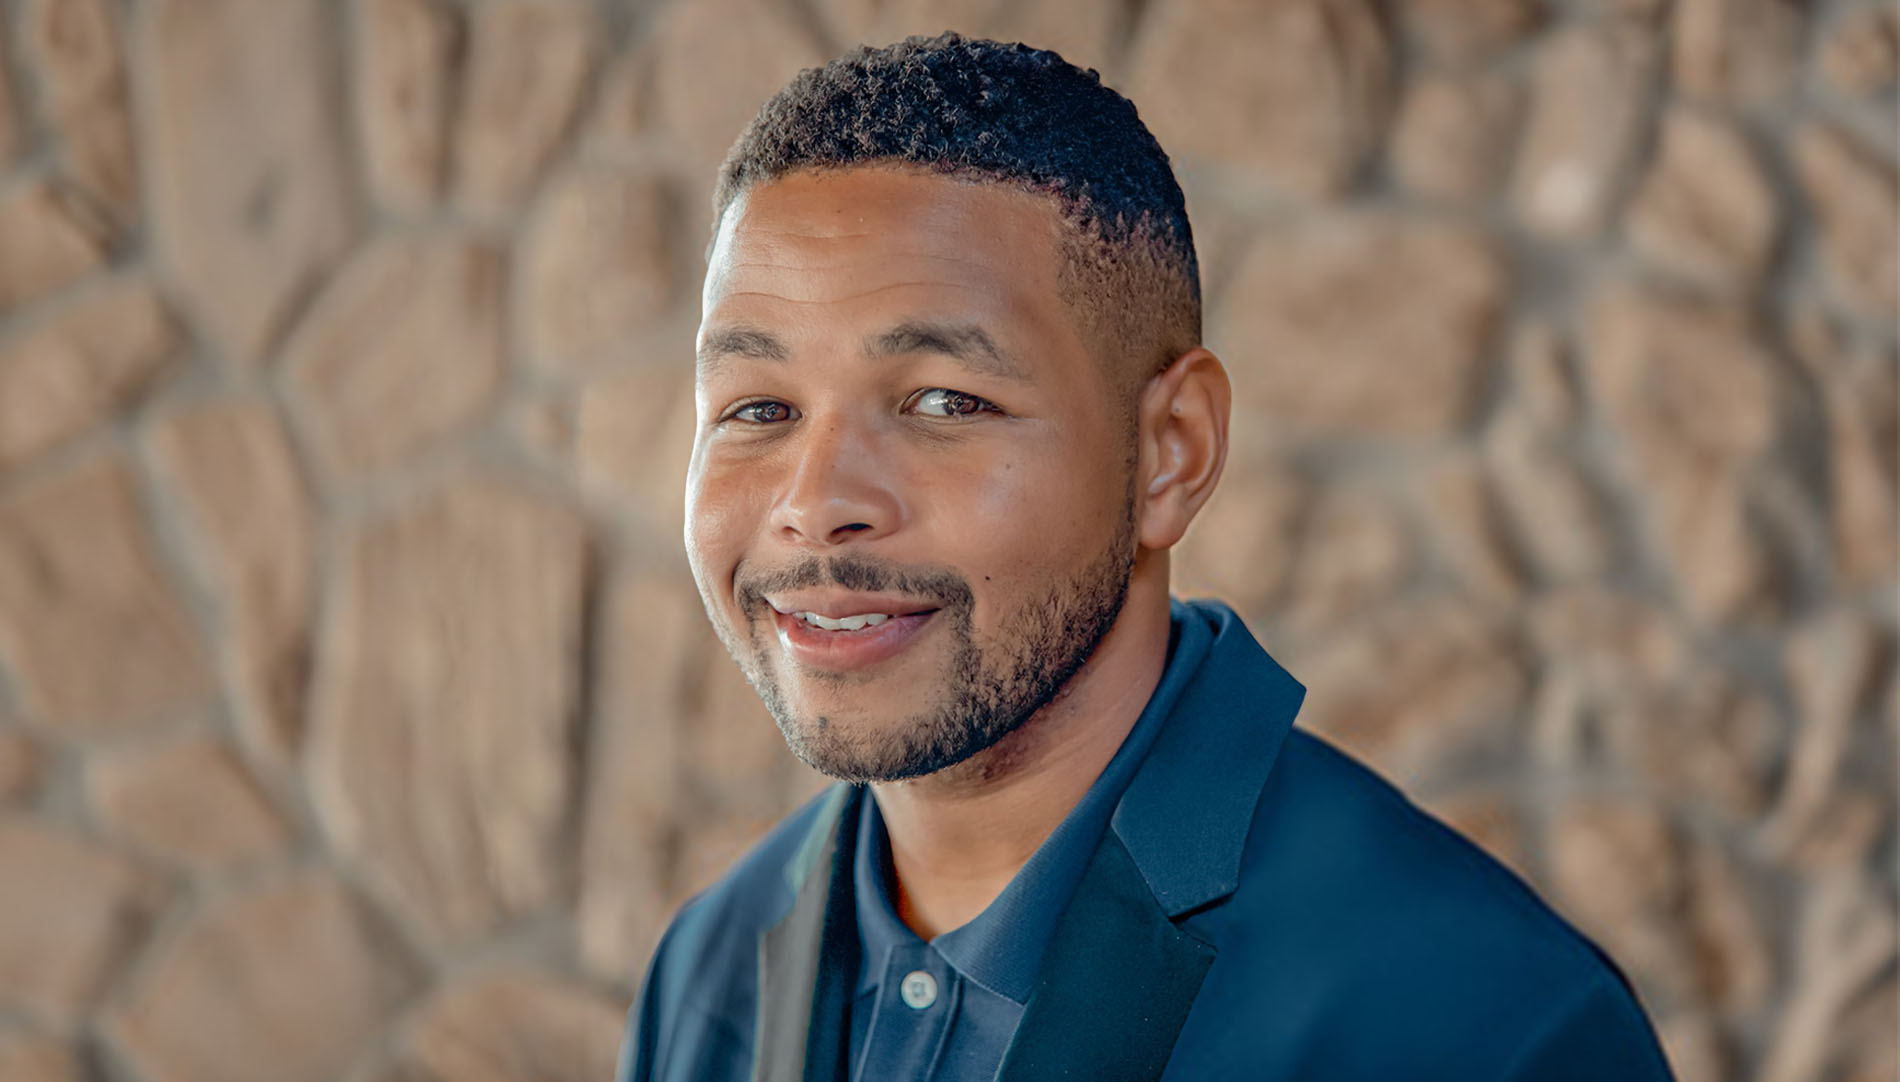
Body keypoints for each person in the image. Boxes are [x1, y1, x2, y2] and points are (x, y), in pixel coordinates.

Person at [615, 31, 1677, 1082]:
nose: (814, 503)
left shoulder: (1479, 1023)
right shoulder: (709, 969)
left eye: (946, 400)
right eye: (758, 407)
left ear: (1171, 452)